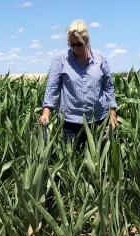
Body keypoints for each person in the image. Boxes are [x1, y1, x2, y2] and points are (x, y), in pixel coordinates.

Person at [39, 19, 118, 148]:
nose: (75, 48)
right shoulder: (61, 60)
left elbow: (108, 87)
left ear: (86, 41)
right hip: (70, 123)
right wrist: (46, 113)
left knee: (97, 162)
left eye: (79, 44)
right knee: (72, 162)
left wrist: (113, 114)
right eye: (72, 44)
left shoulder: (100, 59)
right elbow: (52, 88)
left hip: (97, 120)